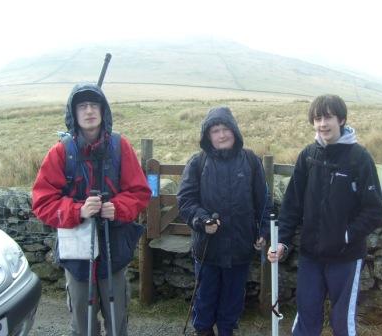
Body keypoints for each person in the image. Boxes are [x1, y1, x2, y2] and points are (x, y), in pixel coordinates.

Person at [32, 83, 151, 336]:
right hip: (77, 254)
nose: (89, 111)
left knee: (117, 322)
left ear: (103, 111)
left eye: (94, 105)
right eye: (82, 106)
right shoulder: (61, 152)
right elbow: (42, 202)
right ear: (73, 114)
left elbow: (140, 193)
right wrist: (78, 211)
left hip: (114, 247)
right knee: (83, 326)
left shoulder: (120, 147)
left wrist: (117, 208)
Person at [268, 94, 382, 336]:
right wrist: (283, 242)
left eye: (328, 117)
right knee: (307, 315)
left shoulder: (359, 158)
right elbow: (291, 205)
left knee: (342, 321)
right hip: (311, 255)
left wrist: (344, 236)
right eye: (318, 118)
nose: (323, 124)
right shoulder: (308, 156)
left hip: (346, 256)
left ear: (341, 119)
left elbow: (373, 210)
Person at [177, 106, 272, 336]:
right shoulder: (198, 163)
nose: (221, 135)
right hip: (207, 248)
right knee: (205, 296)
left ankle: (227, 330)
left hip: (240, 247)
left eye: (225, 128)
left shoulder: (250, 160)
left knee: (232, 298)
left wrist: (263, 232)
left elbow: (264, 203)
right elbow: (186, 200)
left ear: (235, 131)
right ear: (208, 136)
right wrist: (202, 220)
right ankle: (204, 331)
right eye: (215, 130)